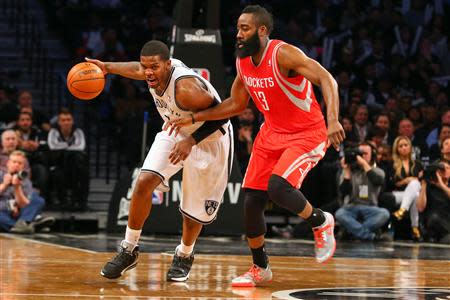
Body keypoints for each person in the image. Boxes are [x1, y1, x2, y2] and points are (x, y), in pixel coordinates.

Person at [166, 5, 345, 287]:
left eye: (245, 28)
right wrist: (195, 117)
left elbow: (327, 78)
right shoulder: (243, 62)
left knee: (278, 187)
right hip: (271, 134)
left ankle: (320, 221)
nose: (238, 34)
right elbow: (235, 105)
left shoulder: (283, 53)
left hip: (306, 133)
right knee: (251, 203)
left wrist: (333, 119)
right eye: (238, 28)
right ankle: (260, 268)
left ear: (262, 31)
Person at [86, 40, 233, 282]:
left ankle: (184, 255)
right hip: (176, 129)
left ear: (168, 64)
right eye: (146, 67)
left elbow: (222, 115)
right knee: (144, 181)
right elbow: (135, 69)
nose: (148, 72)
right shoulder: (149, 72)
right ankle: (129, 249)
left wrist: (192, 140)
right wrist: (107, 67)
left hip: (210, 139)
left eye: (154, 67)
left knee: (193, 211)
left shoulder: (186, 88)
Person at [335, 143, 390, 241]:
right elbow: (343, 192)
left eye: (365, 153)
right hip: (351, 207)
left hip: (371, 208)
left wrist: (364, 163)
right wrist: (347, 170)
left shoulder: (378, 171)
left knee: (384, 213)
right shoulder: (348, 172)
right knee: (339, 213)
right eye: (360, 153)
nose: (362, 156)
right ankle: (370, 236)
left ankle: (351, 232)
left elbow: (378, 180)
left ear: (372, 155)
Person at [0, 151, 54, 234]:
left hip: (19, 213)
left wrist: (17, 187)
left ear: (23, 167)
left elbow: (25, 204)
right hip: (2, 211)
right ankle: (30, 225)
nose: (16, 165)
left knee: (37, 199)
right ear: (8, 163)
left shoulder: (25, 181)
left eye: (20, 163)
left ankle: (23, 222)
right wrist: (4, 185)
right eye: (14, 162)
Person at [47, 108, 89, 211]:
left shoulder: (78, 131)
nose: (66, 122)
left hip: (74, 166)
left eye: (68, 119)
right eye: (63, 120)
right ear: (59, 122)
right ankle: (63, 202)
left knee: (83, 170)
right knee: (58, 172)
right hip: (59, 164)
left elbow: (80, 146)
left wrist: (63, 147)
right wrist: (69, 145)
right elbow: (52, 146)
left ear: (72, 121)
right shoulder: (53, 131)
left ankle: (80, 202)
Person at [390, 136, 423, 241]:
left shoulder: (418, 164)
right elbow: (390, 183)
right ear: (397, 149)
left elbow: (421, 182)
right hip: (398, 194)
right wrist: (405, 181)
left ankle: (402, 210)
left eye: (406, 145)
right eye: (400, 146)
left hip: (415, 194)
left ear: (410, 147)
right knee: (414, 192)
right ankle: (415, 227)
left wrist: (413, 181)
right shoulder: (392, 164)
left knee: (415, 192)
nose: (404, 148)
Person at [417, 160, 450, 244]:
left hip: (447, 223)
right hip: (434, 223)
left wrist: (442, 185)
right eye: (441, 169)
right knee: (434, 218)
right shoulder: (429, 187)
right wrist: (424, 184)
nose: (445, 170)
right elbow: (420, 208)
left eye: (447, 168)